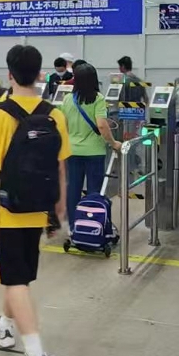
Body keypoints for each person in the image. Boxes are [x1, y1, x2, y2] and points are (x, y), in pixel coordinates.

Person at [0, 44, 71, 356]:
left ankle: (35, 354)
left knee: (14, 280)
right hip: (38, 210)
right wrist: (58, 209)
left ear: (9, 75)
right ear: (40, 74)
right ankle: (4, 322)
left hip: (6, 213)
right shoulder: (55, 115)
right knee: (18, 277)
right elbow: (60, 169)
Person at [60, 62, 119, 230]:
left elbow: (63, 126)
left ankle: (74, 227)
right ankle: (92, 226)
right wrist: (113, 143)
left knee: (73, 188)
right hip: (94, 152)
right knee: (94, 190)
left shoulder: (67, 99)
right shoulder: (98, 99)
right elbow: (101, 125)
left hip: (73, 151)